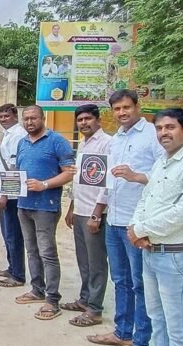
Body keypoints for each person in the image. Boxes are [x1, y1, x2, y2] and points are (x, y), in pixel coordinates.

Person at [87, 89, 165, 346]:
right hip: (114, 220)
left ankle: (141, 345)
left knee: (140, 284)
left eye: (126, 107)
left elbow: (165, 175)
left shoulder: (152, 135)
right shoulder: (117, 138)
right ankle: (122, 333)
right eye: (117, 109)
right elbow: (108, 181)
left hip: (137, 223)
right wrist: (98, 211)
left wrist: (137, 176)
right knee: (120, 280)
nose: (122, 113)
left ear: (137, 107)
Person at [126, 108, 183, 346]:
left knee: (180, 328)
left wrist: (142, 230)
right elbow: (146, 198)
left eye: (170, 127)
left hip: (177, 256)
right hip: (151, 253)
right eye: (160, 128)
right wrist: (134, 227)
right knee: (158, 318)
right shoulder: (162, 162)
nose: (164, 133)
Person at [13, 105, 75, 320]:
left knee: (47, 252)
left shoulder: (57, 141)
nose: (30, 122)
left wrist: (44, 184)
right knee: (31, 250)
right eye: (26, 119)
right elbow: (18, 173)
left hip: (46, 206)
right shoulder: (22, 142)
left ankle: (52, 299)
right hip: (23, 205)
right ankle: (37, 290)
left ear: (43, 118)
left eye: (34, 118)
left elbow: (69, 173)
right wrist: (4, 184)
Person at [62, 104, 111, 327]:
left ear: (98, 120)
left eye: (88, 119)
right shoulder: (82, 143)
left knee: (96, 262)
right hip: (80, 209)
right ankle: (84, 299)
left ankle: (95, 309)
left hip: (95, 213)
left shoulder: (107, 143)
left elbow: (108, 182)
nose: (84, 123)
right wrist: (72, 208)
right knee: (83, 260)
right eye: (80, 120)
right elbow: (79, 180)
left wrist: (97, 214)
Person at [0, 104, 27, 288]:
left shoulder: (18, 134)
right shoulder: (8, 134)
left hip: (11, 195)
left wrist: (4, 193)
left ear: (15, 116)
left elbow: (13, 166)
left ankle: (17, 275)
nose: (3, 119)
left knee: (13, 234)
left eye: (6, 116)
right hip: (4, 191)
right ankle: (12, 268)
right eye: (1, 116)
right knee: (7, 233)